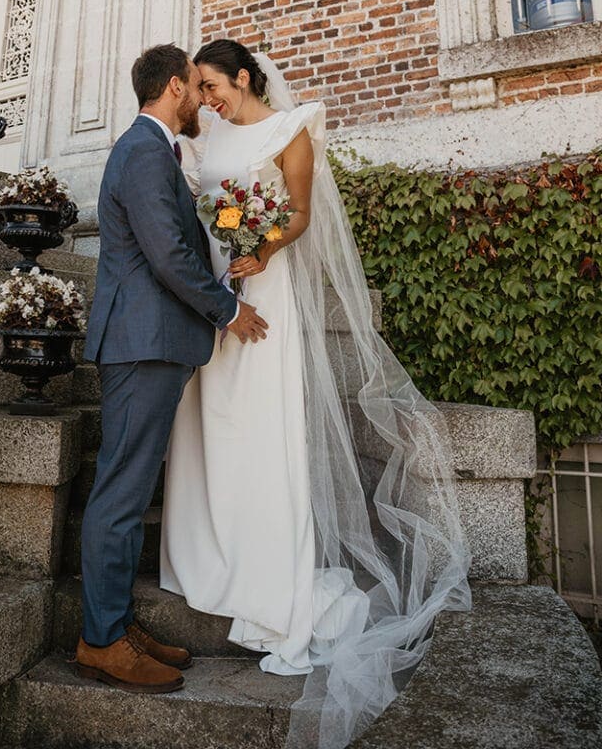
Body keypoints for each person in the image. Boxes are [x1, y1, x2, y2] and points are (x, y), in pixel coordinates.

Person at [160, 39, 471, 748]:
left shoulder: (292, 129)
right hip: (213, 297)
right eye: (199, 91)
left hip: (260, 291)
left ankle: (266, 567)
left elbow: (296, 213)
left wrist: (259, 249)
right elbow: (201, 203)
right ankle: (205, 552)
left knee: (254, 428)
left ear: (242, 76)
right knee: (205, 425)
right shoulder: (208, 135)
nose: (206, 100)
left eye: (213, 86)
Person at [77, 43, 269, 694]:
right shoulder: (141, 151)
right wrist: (227, 312)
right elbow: (165, 255)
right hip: (141, 344)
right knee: (121, 495)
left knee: (128, 493)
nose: (200, 99)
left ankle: (115, 624)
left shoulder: (153, 151)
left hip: (152, 342)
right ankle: (101, 641)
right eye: (194, 85)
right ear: (175, 88)